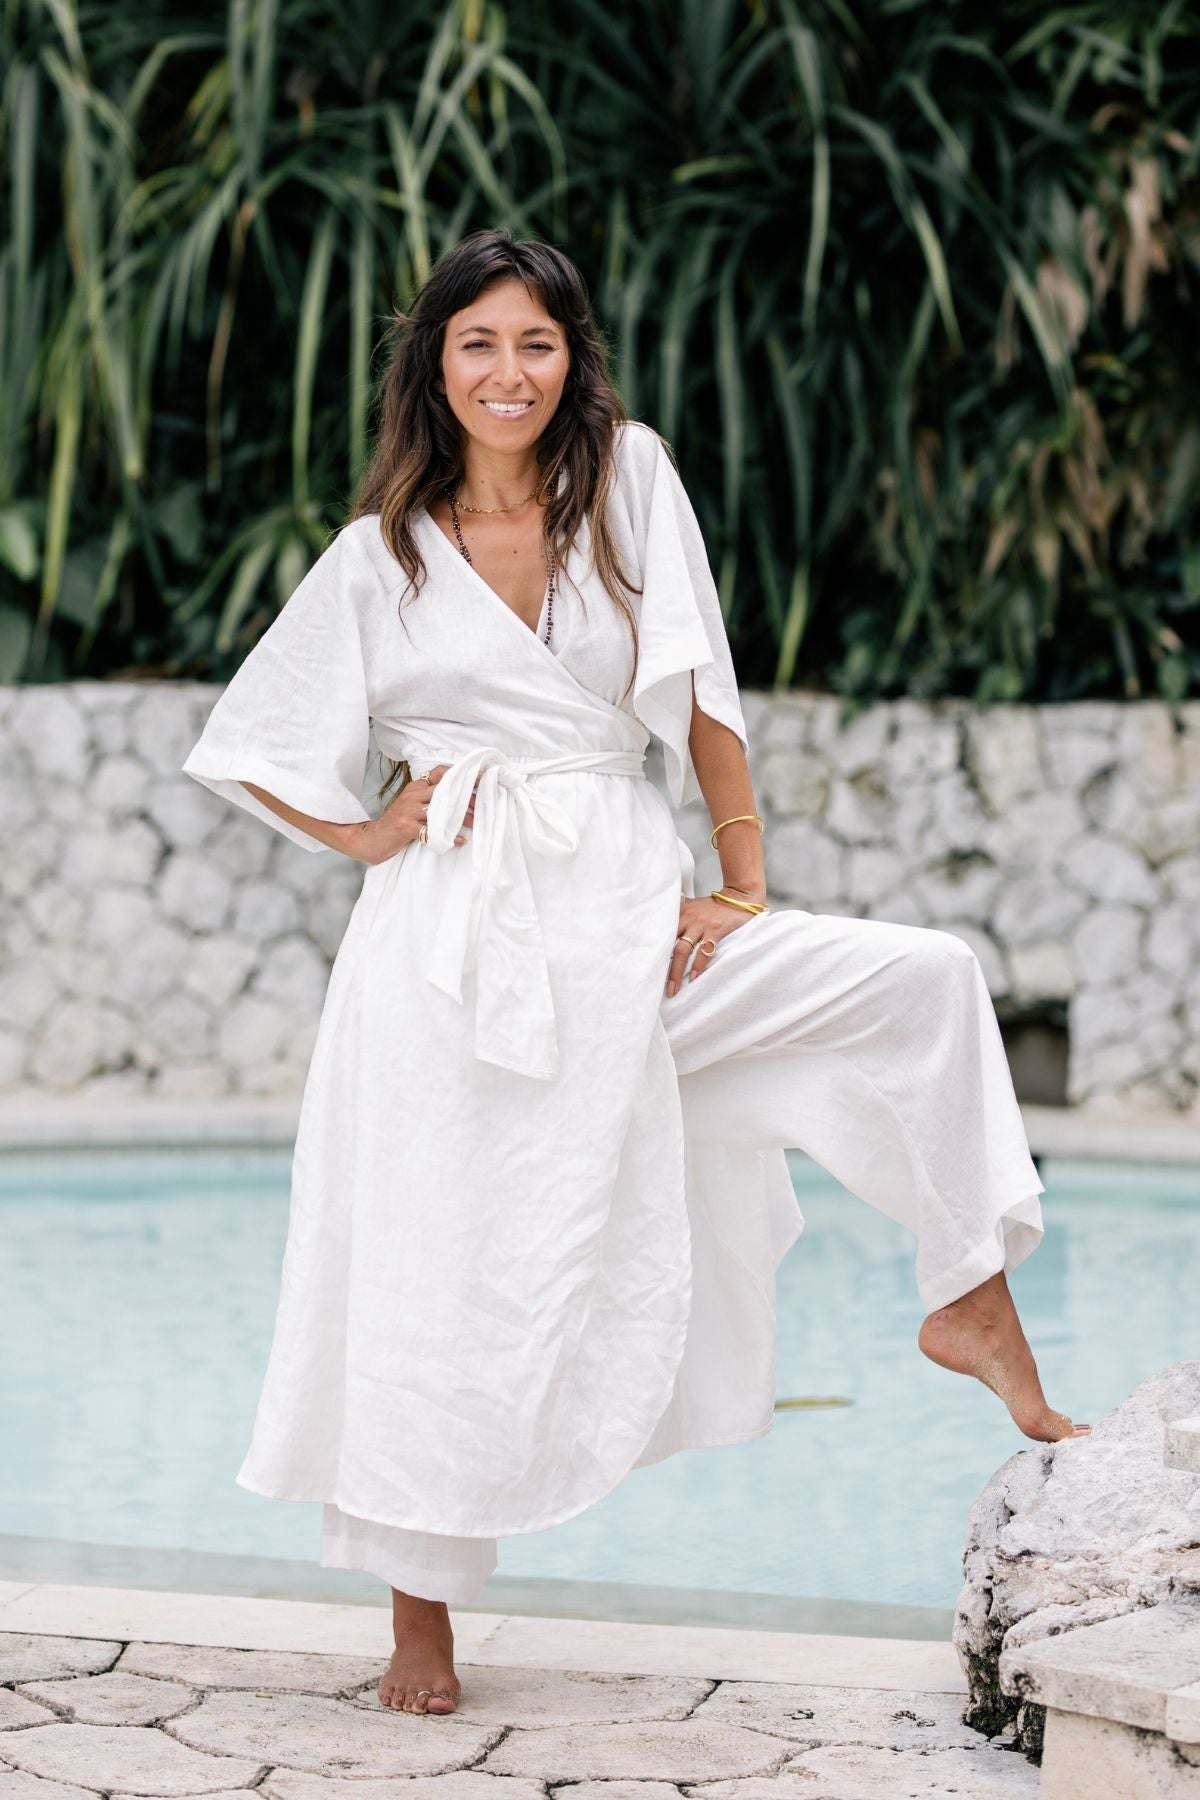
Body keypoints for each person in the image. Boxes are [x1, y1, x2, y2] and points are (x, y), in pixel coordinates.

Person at [181, 226, 1088, 1720]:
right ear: (436, 365)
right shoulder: (384, 557)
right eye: (477, 343)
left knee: (922, 977)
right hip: (447, 951)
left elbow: (698, 685)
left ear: (570, 358)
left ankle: (968, 1295)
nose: (508, 371)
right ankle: (422, 1623)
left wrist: (743, 879)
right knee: (439, 1261)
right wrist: (363, 832)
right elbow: (254, 735)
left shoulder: (628, 483)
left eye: (536, 342)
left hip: (629, 914)